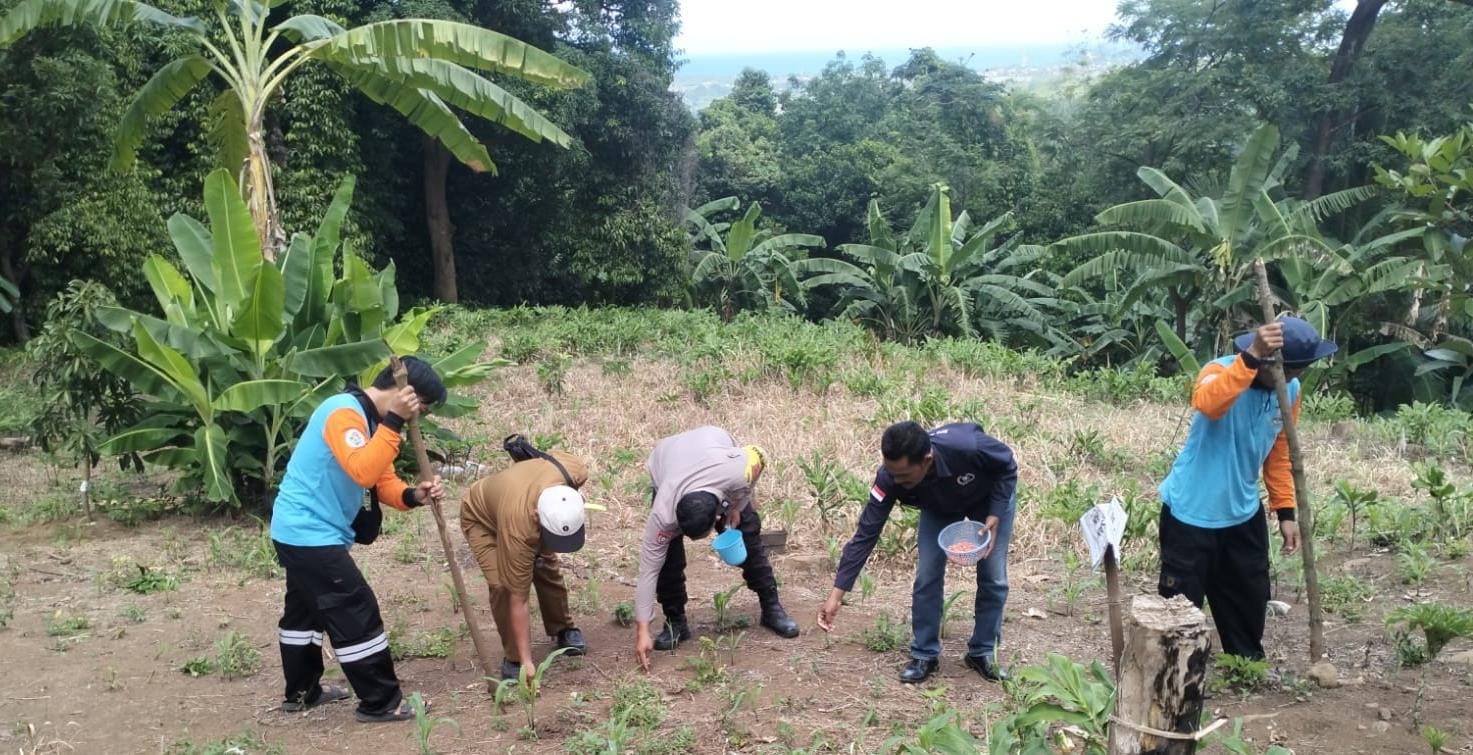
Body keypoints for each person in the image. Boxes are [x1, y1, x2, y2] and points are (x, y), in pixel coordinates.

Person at [269, 357, 446, 723]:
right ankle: (381, 702)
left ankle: (302, 693)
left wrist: (414, 495)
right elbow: (362, 470)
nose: (419, 417)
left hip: (303, 532)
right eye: (422, 408)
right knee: (354, 608)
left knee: (304, 614)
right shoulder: (344, 413)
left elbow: (382, 481)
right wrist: (395, 421)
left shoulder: (371, 422)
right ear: (407, 395)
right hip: (308, 533)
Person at [1157, 317, 1335, 660]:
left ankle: (1244, 667)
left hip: (1242, 511)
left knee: (1247, 599)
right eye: (1288, 370)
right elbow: (1208, 403)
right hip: (1192, 512)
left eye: (1299, 371)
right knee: (1179, 611)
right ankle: (1175, 672)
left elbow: (1279, 452)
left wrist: (1285, 511)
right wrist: (1252, 356)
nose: (1293, 378)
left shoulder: (1289, 391)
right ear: (1267, 362)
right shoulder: (1218, 371)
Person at [818, 420, 1017, 684]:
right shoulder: (889, 478)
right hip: (940, 507)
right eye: (891, 473)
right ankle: (925, 654)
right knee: (927, 575)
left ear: (927, 460)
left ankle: (983, 652)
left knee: (993, 576)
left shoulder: (967, 446)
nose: (896, 481)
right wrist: (836, 596)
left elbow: (1007, 465)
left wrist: (996, 512)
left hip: (989, 500)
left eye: (903, 476)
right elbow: (865, 535)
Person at [633, 426, 799, 670]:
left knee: (748, 536)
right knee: (667, 560)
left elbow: (760, 456)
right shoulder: (662, 515)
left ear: (717, 515)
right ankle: (675, 621)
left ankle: (771, 606)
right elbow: (648, 571)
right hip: (667, 457)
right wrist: (642, 631)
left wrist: (738, 506)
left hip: (715, 450)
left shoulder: (737, 473)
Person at [461, 435, 592, 680]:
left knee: (546, 565)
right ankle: (514, 657)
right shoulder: (519, 531)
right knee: (502, 586)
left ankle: (563, 628)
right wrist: (527, 662)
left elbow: (558, 457)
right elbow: (518, 600)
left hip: (515, 497)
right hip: (480, 517)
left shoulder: (573, 471)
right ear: (537, 516)